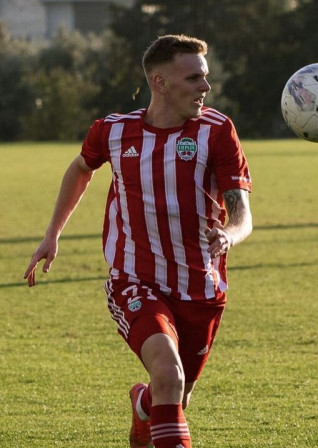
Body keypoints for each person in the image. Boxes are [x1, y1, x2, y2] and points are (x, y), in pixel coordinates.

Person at [23, 34, 253, 448]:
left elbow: (241, 212)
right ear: (160, 83)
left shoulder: (217, 131)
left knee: (175, 394)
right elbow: (79, 169)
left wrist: (230, 234)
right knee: (169, 372)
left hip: (201, 286)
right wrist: (51, 235)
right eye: (195, 77)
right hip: (135, 279)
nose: (206, 87)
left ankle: (143, 405)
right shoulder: (113, 132)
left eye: (206, 77)